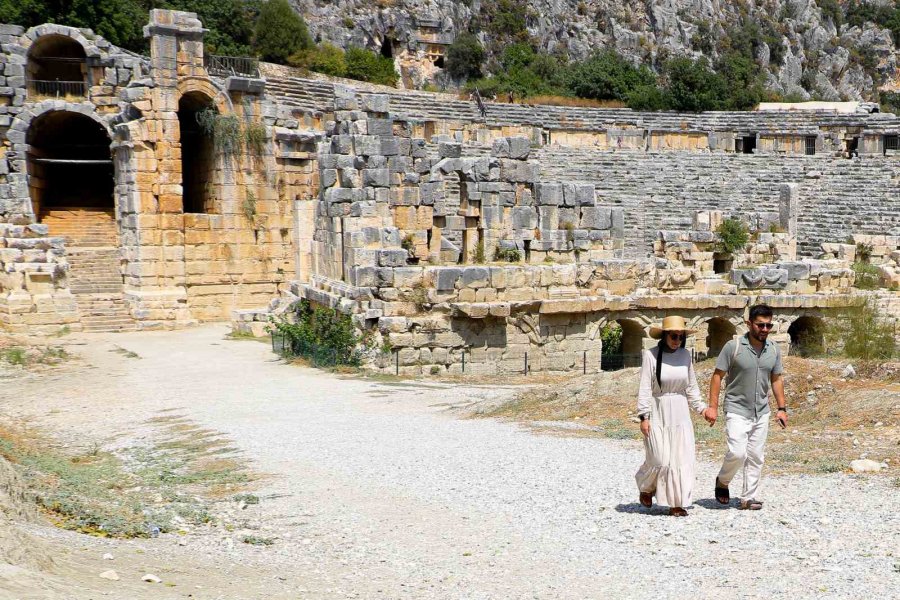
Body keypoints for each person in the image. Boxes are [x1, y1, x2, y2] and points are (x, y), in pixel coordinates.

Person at [706, 304, 787, 510]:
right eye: (761, 325)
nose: (765, 329)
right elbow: (717, 377)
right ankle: (723, 481)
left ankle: (748, 498)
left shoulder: (774, 349)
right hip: (736, 408)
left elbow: (776, 379)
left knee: (756, 456)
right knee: (737, 452)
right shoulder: (733, 347)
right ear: (749, 324)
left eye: (769, 325)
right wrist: (713, 407)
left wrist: (782, 408)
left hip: (761, 410)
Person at [635, 316, 715, 516]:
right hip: (658, 409)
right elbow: (645, 387)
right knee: (659, 458)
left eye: (680, 336)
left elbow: (691, 387)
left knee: (679, 459)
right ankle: (646, 486)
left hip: (680, 412)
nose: (677, 340)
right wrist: (644, 416)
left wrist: (703, 409)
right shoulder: (651, 356)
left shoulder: (685, 356)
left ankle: (676, 503)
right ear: (664, 335)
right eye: (673, 335)